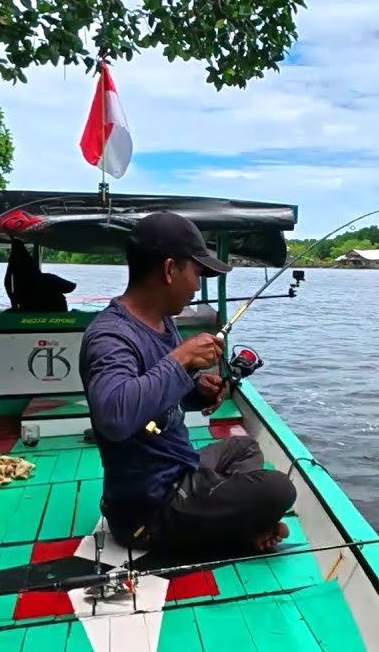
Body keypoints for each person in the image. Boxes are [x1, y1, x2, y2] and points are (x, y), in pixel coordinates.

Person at [78, 211, 295, 556]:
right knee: (279, 490)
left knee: (244, 448)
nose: (197, 285)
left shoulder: (164, 323)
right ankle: (244, 524)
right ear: (169, 270)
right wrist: (180, 361)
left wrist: (195, 390)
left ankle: (238, 519)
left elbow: (158, 397)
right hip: (147, 509)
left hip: (179, 469)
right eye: (196, 273)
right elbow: (114, 417)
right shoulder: (110, 336)